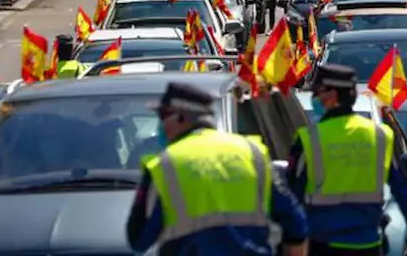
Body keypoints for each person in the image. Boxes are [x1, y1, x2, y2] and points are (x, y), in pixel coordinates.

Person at [126, 82, 308, 256]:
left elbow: (139, 239)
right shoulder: (251, 153)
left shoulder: (165, 164)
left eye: (163, 117)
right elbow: (296, 225)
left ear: (181, 117)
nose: (161, 126)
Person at [288, 65, 407, 256]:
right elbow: (402, 190)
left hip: (322, 247)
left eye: (318, 92)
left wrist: (292, 241)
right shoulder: (380, 136)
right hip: (368, 246)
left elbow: (292, 197)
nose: (316, 98)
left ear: (332, 95)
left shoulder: (309, 139)